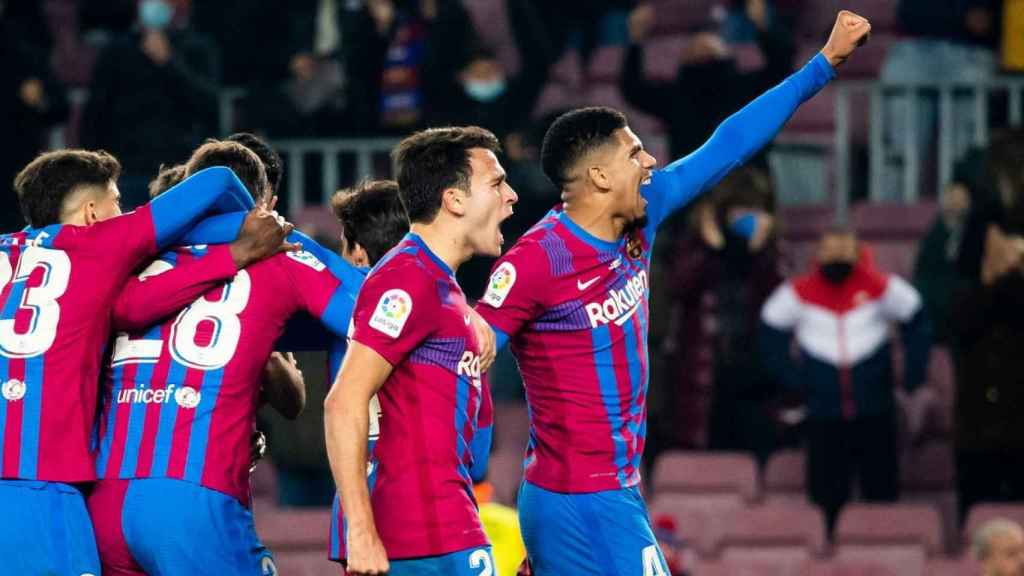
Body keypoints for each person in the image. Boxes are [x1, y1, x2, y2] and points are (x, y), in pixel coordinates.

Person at [472, 11, 871, 575]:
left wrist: (822, 66)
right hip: (578, 497)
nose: (651, 161)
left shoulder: (646, 210)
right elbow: (471, 349)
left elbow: (727, 144)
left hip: (613, 485)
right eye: (635, 154)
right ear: (601, 178)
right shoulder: (536, 262)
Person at [85, 141, 367, 575]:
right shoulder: (281, 255)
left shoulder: (133, 262)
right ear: (267, 206)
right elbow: (368, 315)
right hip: (194, 497)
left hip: (105, 497)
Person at [0, 148, 280, 575]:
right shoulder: (101, 243)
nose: (125, 212)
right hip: (38, 484)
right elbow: (218, 179)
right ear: (92, 213)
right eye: (117, 204)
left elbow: (128, 307)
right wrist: (256, 235)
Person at [325, 126, 516, 575]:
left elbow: (474, 449)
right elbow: (342, 402)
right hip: (418, 542)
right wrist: (362, 532)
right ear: (454, 199)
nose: (511, 196)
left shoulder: (442, 289)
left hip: (450, 528)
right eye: (496, 182)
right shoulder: (406, 279)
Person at [760, 228, 930, 533]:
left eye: (844, 251)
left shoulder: (879, 286)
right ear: (819, 255)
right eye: (831, 251)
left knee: (881, 495)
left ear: (856, 253)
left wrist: (912, 376)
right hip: (824, 412)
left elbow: (916, 316)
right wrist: (792, 379)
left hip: (875, 410)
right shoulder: (799, 291)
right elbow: (769, 330)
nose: (837, 258)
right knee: (826, 498)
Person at [259, 180, 412, 508]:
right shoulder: (441, 301)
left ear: (358, 253)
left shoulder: (350, 301)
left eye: (343, 244)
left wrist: (266, 223)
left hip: (359, 479)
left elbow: (318, 263)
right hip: (413, 479)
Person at [653, 167, 784, 464]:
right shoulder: (698, 245)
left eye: (754, 209)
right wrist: (711, 247)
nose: (745, 216)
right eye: (739, 208)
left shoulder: (769, 251)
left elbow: (780, 302)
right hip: (702, 371)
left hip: (753, 373)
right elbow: (678, 285)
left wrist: (760, 252)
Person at [81, 0, 221, 207]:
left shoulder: (196, 47)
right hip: (125, 171)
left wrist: (169, 62)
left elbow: (208, 105)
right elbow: (95, 113)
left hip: (180, 170)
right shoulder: (116, 50)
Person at [622, 0, 795, 160]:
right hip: (697, 186)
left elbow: (782, 66)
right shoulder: (675, 97)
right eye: (696, 43)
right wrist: (635, 40)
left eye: (710, 38)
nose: (702, 41)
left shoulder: (745, 88)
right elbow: (633, 88)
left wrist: (762, 24)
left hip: (741, 182)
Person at [913, 181, 971, 345]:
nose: (956, 204)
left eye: (961, 199)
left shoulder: (975, 232)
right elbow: (923, 273)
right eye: (952, 198)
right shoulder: (933, 235)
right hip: (939, 296)